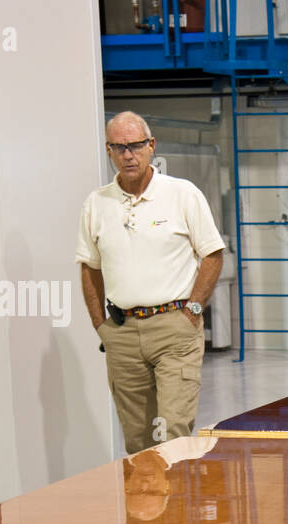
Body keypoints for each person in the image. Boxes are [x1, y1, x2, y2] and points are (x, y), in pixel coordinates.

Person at [77, 111, 225, 454]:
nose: (128, 155)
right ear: (109, 150)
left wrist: (192, 310)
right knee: (138, 441)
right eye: (119, 147)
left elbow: (212, 255)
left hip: (175, 329)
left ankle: (177, 507)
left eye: (136, 146)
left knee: (171, 433)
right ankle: (147, 509)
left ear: (151, 146)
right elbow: (89, 267)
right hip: (123, 334)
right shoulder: (96, 204)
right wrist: (101, 326)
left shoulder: (182, 194)